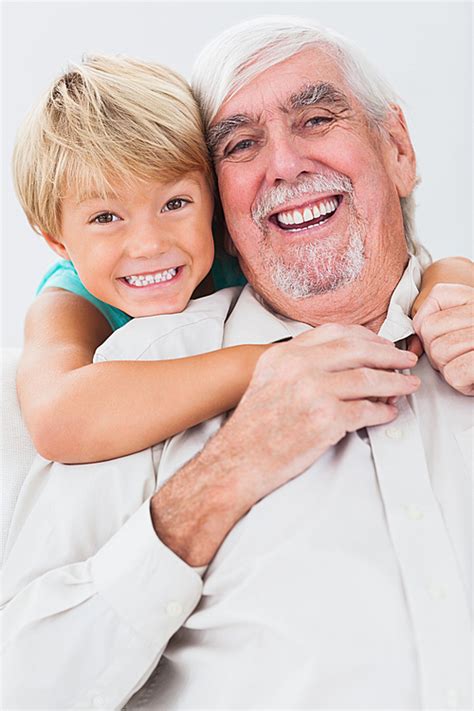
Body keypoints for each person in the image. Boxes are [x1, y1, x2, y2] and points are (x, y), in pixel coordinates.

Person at [2, 16, 473, 710]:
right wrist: (228, 464)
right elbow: (25, 684)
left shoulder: (459, 308)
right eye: (242, 143)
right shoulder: (127, 357)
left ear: (398, 147)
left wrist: (454, 281)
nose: (283, 164)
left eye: (316, 118)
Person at [12, 54, 472, 465]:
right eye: (106, 217)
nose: (149, 244)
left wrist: (447, 287)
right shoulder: (68, 300)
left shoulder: (229, 240)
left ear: (214, 199)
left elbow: (414, 263)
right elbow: (57, 418)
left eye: (174, 204)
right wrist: (267, 362)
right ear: (58, 242)